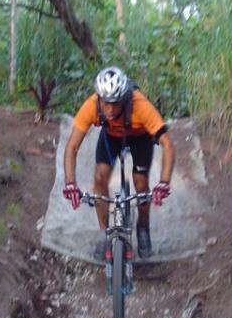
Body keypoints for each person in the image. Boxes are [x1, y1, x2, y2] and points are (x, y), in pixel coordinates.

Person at [63, 66, 175, 261]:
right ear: (99, 98)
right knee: (100, 176)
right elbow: (71, 148)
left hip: (140, 137)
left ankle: (143, 227)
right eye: (106, 103)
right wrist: (70, 183)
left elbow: (168, 145)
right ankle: (104, 233)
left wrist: (164, 182)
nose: (111, 109)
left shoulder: (140, 105)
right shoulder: (91, 106)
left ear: (124, 98)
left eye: (116, 103)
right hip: (111, 138)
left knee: (141, 184)